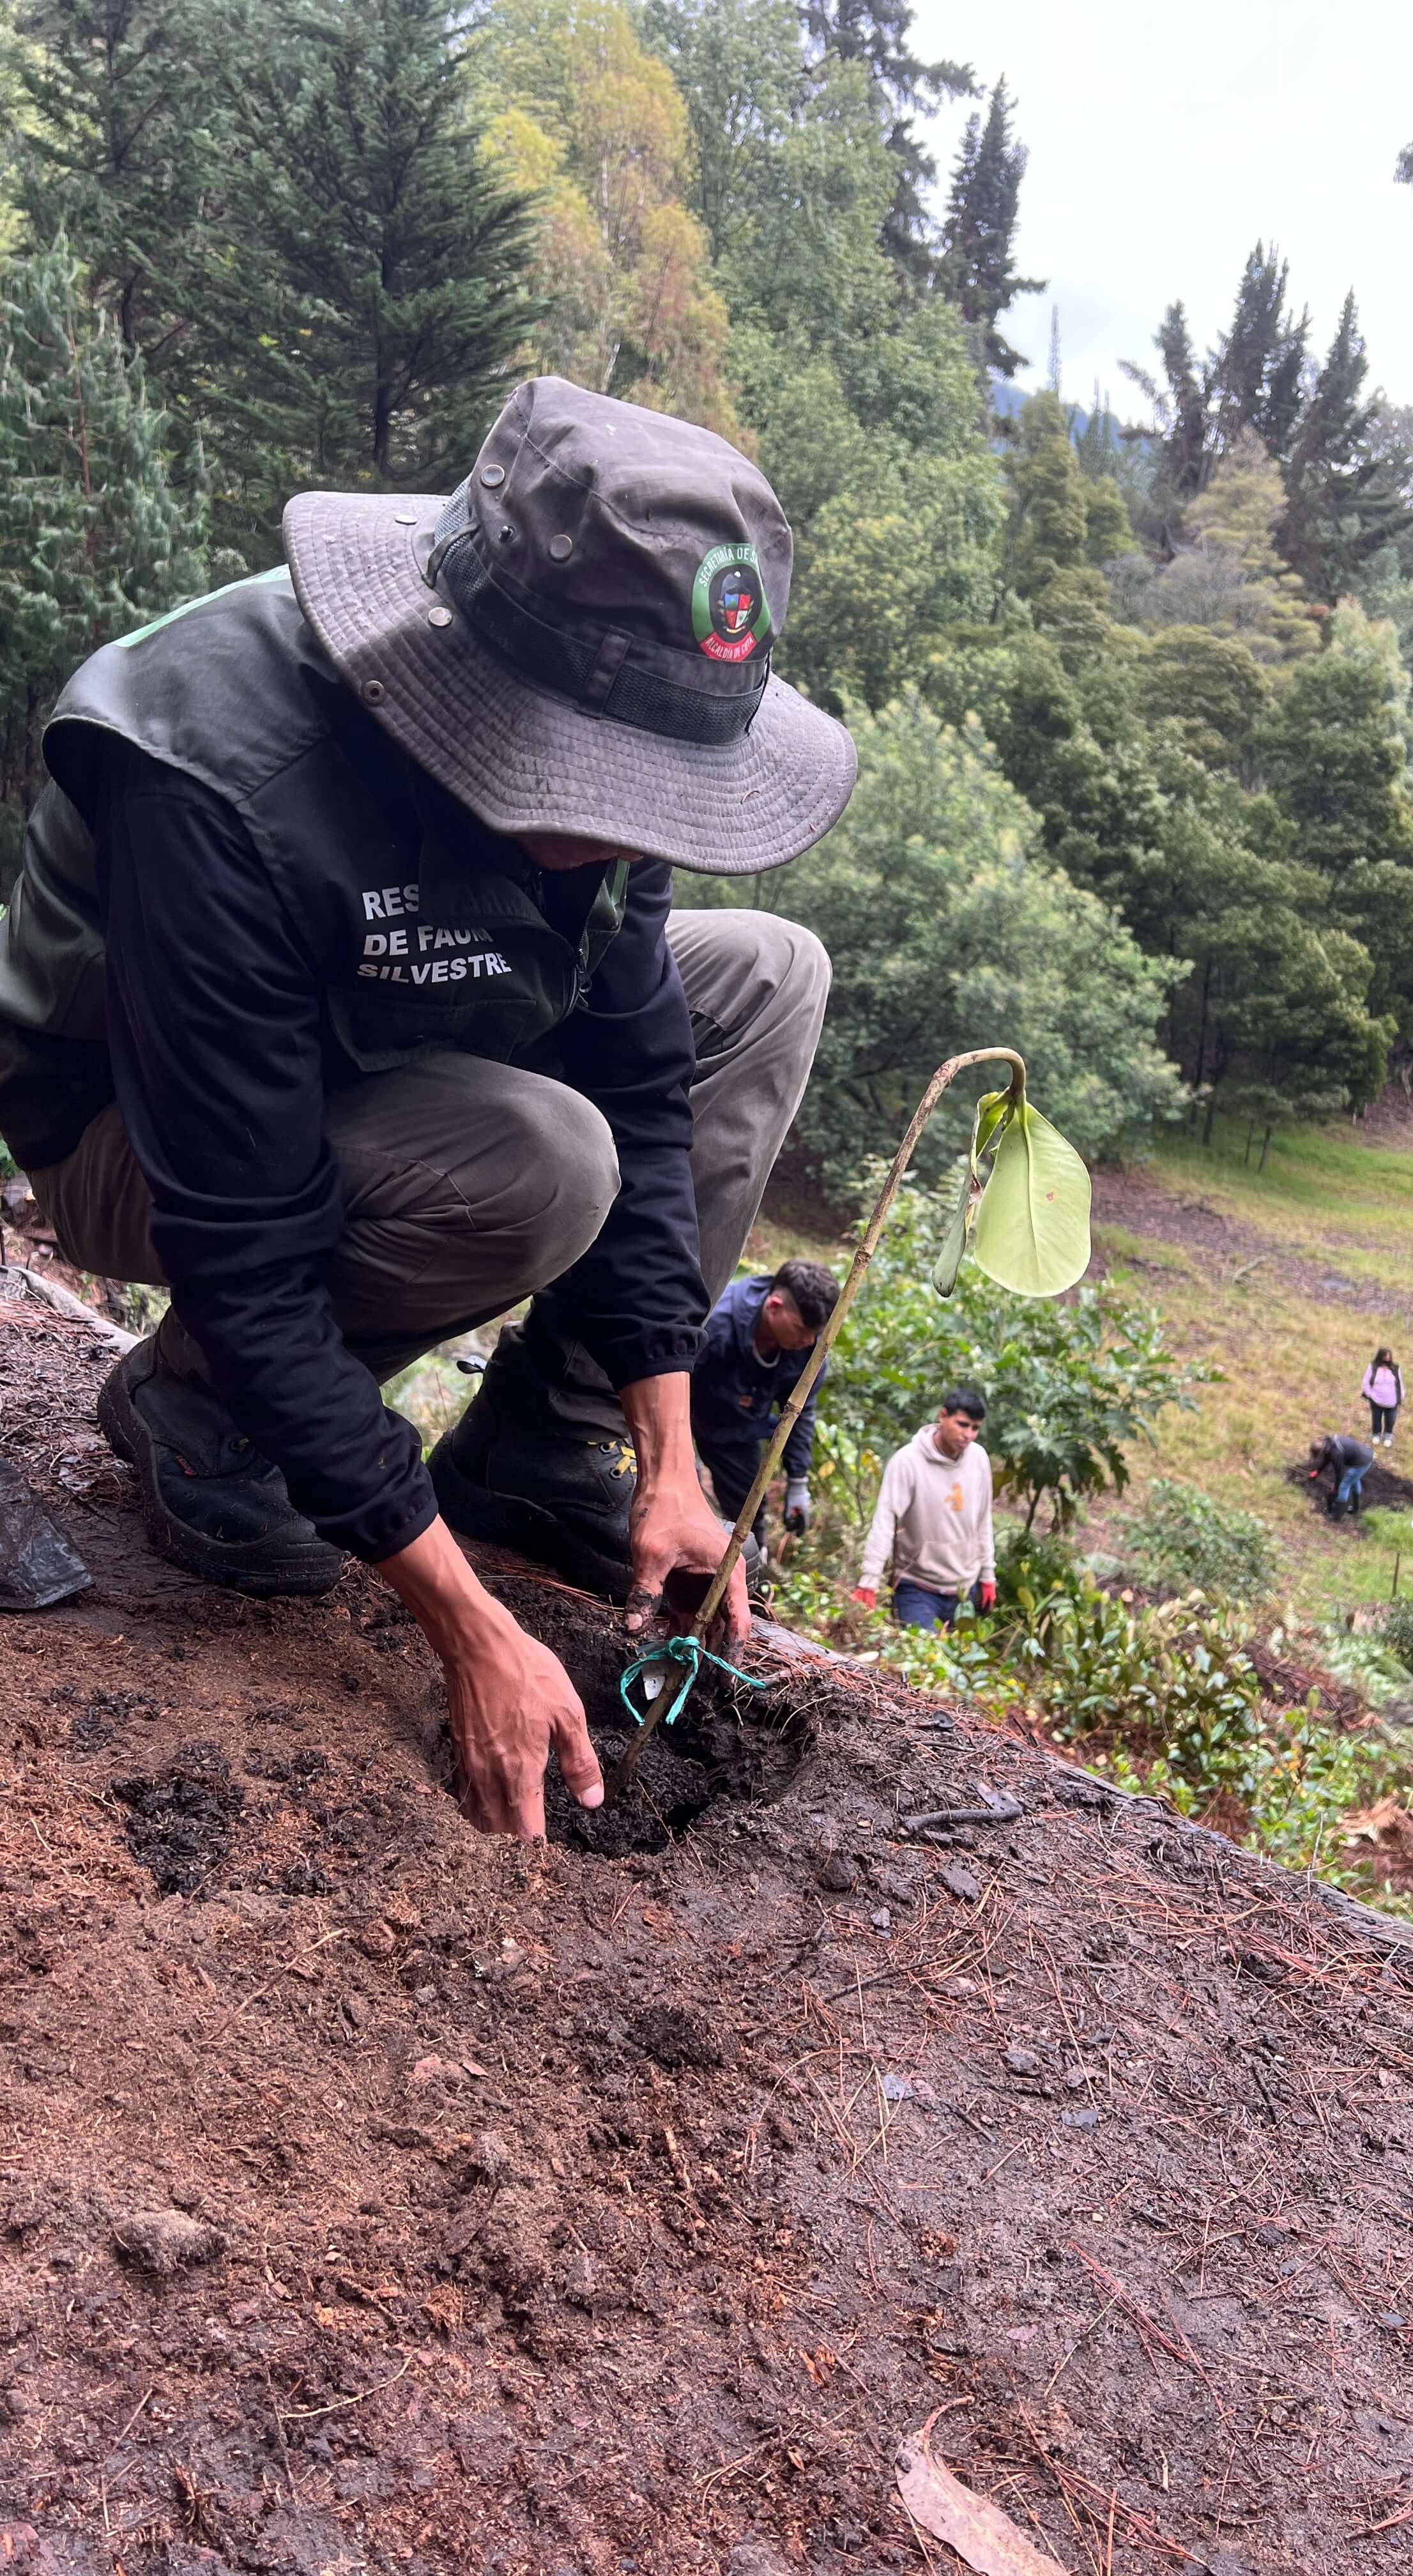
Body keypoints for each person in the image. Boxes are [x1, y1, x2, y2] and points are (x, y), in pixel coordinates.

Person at [0, 375, 856, 1840]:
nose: (636, 826)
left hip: (397, 1035)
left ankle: (538, 1447)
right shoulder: (215, 777)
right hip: (138, 1137)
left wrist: (671, 1458)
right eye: (612, 785)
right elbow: (247, 1248)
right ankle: (200, 1407)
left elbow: (646, 1079)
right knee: (550, 1162)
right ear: (489, 700)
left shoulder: (612, 749)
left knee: (770, 976)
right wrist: (465, 1623)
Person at [690, 1260, 839, 1551]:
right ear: (774, 1306)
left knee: (748, 1511)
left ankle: (750, 1567)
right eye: (801, 1329)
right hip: (686, 1402)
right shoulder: (717, 1323)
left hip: (737, 1426)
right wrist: (681, 1454)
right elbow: (673, 1380)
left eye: (815, 1333)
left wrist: (798, 1481)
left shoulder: (809, 1350)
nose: (808, 1340)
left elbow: (799, 1414)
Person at [852, 1389, 996, 1629]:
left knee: (957, 1654)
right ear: (943, 1416)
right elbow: (885, 1522)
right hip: (917, 1588)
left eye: (975, 1428)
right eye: (962, 1424)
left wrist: (988, 1575)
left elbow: (983, 1520)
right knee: (924, 1653)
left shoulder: (979, 1459)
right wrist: (869, 1581)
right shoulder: (907, 1462)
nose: (968, 1435)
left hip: (965, 1590)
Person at [1308, 1432, 1372, 1519]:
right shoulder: (1328, 1443)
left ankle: (1337, 1515)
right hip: (1364, 1456)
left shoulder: (1336, 1454)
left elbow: (1340, 1474)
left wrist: (1336, 1488)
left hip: (1362, 1462)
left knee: (1344, 1486)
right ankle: (1355, 1509)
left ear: (1322, 1451)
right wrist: (1318, 1471)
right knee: (1354, 1480)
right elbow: (1327, 1459)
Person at [1361, 1347, 1404, 1448]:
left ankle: (1388, 1436)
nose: (1387, 1358)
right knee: (1376, 1418)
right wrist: (1370, 1394)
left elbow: (1400, 1382)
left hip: (1392, 1401)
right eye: (1385, 1355)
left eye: (1389, 1355)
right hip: (1376, 1400)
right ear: (1380, 1356)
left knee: (1391, 1420)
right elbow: (1366, 1382)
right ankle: (1376, 1434)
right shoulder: (1373, 1367)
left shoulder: (1395, 1368)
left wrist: (1401, 1395)